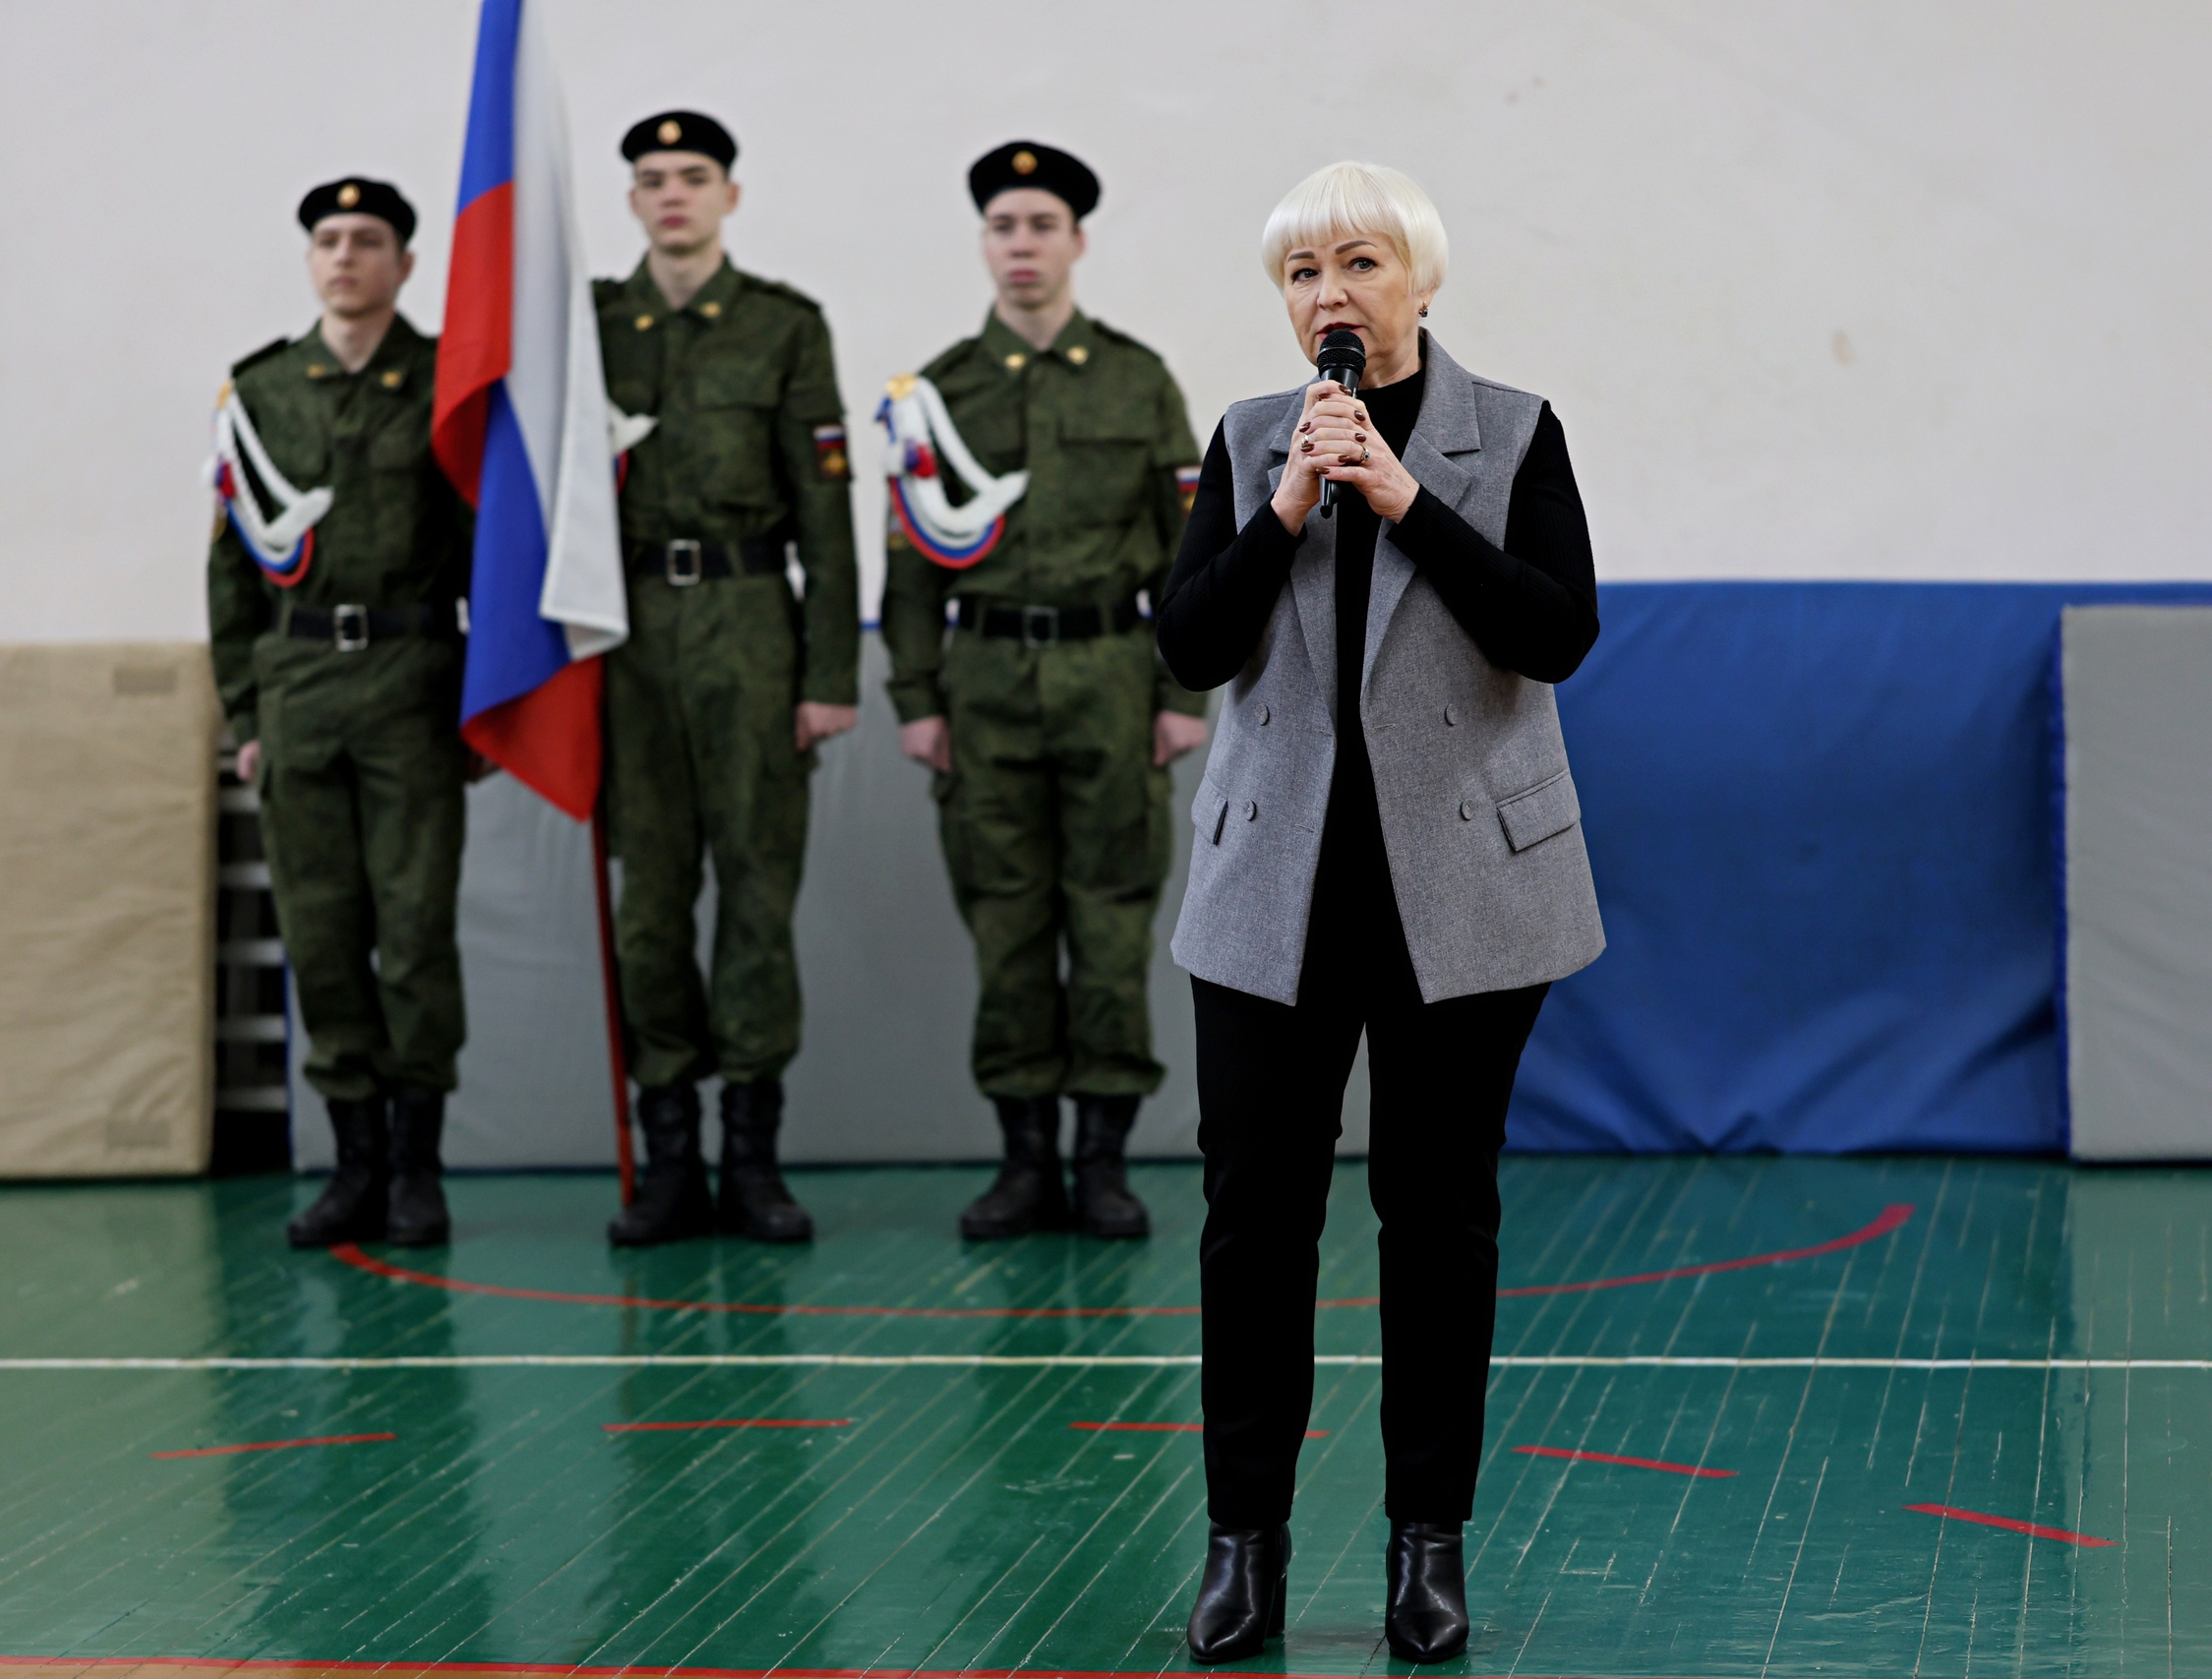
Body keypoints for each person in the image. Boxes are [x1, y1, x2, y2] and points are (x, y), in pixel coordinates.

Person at [1156, 162, 1604, 1665]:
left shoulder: (1514, 432)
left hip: (1460, 886)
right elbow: (1189, 644)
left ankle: (1429, 1541)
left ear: (1419, 277)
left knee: (1438, 1214)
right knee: (1253, 1219)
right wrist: (1285, 507)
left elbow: (1556, 631)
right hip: (1273, 890)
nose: (1327, 297)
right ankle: (1244, 1544)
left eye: (1356, 264)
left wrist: (1406, 502)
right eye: (1301, 273)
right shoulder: (1248, 440)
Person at [879, 141, 1209, 1242]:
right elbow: (910, 568)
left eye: (1041, 226)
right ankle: (1024, 1161)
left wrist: (1183, 694)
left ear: (1077, 243)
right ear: (984, 244)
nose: (1021, 246)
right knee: (1006, 924)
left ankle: (1102, 1162)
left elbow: (1186, 551)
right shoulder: (936, 393)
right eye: (1003, 227)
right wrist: (916, 699)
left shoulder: (1136, 378)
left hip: (1111, 678)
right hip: (982, 686)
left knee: (1111, 921)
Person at [595, 111, 861, 1246]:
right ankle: (669, 1160)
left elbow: (824, 508)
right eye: (652, 178)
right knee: (648, 908)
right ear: (632, 200)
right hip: (624, 636)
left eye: (693, 176)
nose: (672, 194)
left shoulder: (783, 326)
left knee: (756, 897)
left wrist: (828, 671)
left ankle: (750, 1158)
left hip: (751, 624)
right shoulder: (585, 328)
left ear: (728, 197)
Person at [208, 177, 476, 1250]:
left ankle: (416, 1166)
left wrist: (484, 703)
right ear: (310, 259)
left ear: (405, 265)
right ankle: (354, 1162)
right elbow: (232, 565)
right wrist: (245, 713)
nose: (345, 256)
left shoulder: (453, 383)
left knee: (413, 934)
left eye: (368, 240)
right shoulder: (262, 392)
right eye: (328, 239)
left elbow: (488, 549)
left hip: (414, 681)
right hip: (301, 687)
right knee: (321, 935)